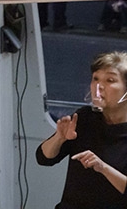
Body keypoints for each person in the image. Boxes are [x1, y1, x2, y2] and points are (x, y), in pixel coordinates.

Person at [37, 51, 127, 207]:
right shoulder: (85, 117)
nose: (99, 86)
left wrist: (103, 168)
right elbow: (43, 158)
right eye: (95, 79)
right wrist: (59, 138)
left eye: (110, 80)